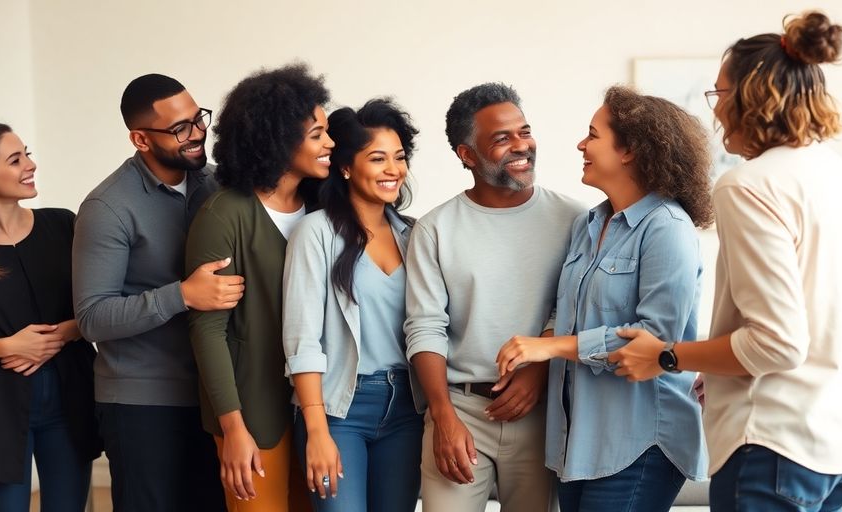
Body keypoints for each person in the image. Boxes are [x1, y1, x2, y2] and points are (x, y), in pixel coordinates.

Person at [606, 11, 842, 512]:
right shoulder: (838, 174)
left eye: (719, 94)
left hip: (775, 444)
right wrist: (719, 365)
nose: (715, 111)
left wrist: (665, 356)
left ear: (750, 98)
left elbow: (778, 343)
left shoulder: (748, 185)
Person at [495, 86, 711, 511]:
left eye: (593, 135)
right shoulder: (588, 224)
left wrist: (549, 347)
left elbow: (654, 339)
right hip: (578, 442)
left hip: (640, 442)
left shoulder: (667, 227)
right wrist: (544, 344)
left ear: (629, 150)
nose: (581, 144)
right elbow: (566, 310)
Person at [405, 82, 583, 512]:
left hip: (542, 412)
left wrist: (538, 371)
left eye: (525, 131)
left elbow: (572, 308)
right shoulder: (435, 229)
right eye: (502, 138)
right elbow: (425, 326)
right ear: (467, 154)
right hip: (460, 409)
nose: (521, 145)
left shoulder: (575, 219)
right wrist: (442, 415)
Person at [72, 74, 235, 511]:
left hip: (212, 396)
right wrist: (183, 295)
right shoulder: (107, 207)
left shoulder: (216, 184)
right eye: (179, 128)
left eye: (198, 119)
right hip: (141, 403)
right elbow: (92, 317)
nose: (197, 133)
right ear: (140, 139)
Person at [186, 64, 331, 512]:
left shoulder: (324, 209)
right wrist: (232, 427)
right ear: (278, 139)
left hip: (321, 405)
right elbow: (208, 330)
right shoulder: (224, 214)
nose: (330, 143)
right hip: (252, 409)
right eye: (317, 135)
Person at [0, 122, 99, 511]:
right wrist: (7, 346)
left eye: (27, 154)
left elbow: (101, 305)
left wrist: (65, 332)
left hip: (70, 399)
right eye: (15, 160)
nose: (30, 165)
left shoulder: (63, 225)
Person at [283, 98, 424, 511]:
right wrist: (317, 430)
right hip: (338, 411)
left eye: (399, 157)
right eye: (378, 158)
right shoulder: (315, 233)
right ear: (345, 167)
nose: (393, 169)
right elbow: (302, 339)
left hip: (407, 409)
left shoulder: (415, 235)